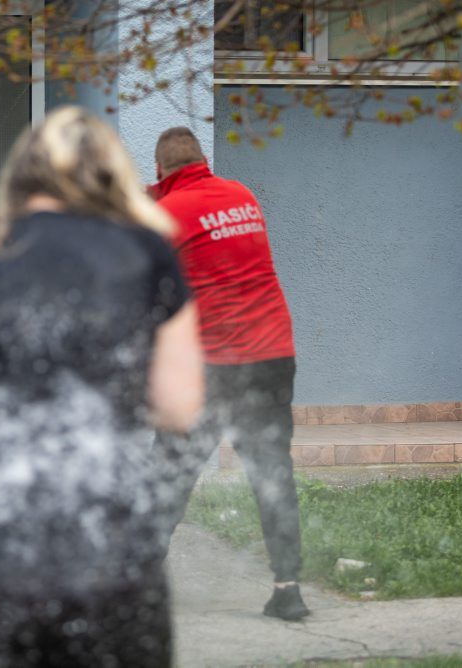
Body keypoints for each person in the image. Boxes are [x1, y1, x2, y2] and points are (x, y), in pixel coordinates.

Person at [0, 107, 204, 667]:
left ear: (20, 176)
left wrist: (5, 401)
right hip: (113, 555)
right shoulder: (147, 257)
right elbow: (180, 407)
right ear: (110, 176)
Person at [149, 126, 310, 621]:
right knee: (272, 473)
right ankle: (288, 590)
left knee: (171, 472)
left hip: (210, 368)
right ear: (201, 159)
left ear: (159, 169)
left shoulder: (166, 214)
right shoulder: (242, 195)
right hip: (272, 354)